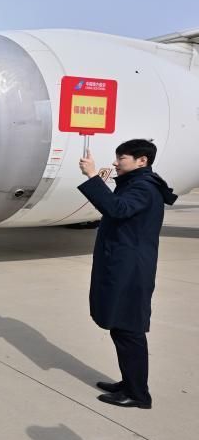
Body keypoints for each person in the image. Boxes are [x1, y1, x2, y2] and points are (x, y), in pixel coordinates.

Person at [77, 140, 177, 409]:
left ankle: (138, 394)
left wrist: (92, 176)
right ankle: (129, 382)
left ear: (142, 160)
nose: (115, 162)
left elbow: (116, 209)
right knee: (121, 326)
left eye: (121, 158)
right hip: (124, 264)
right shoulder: (136, 183)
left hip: (131, 270)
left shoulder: (143, 187)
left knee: (128, 329)